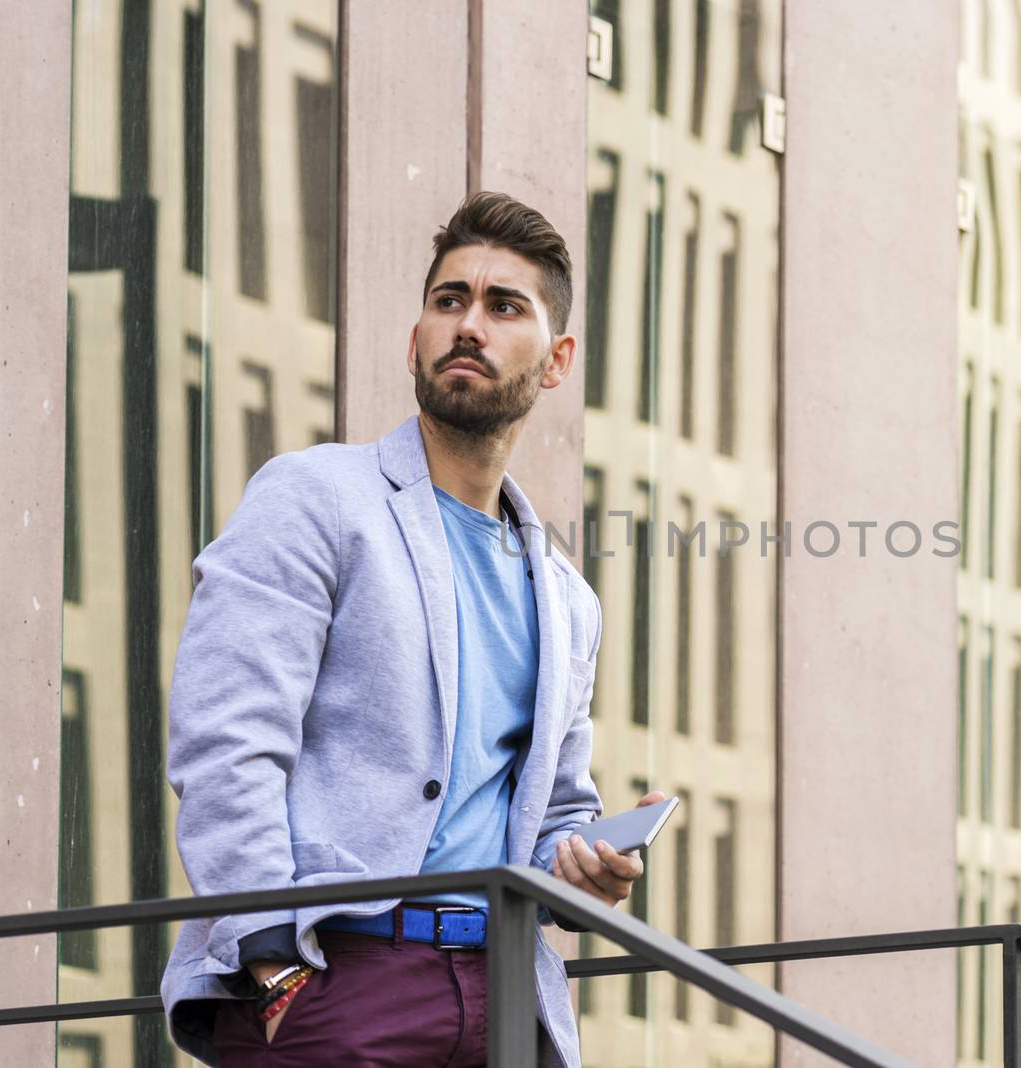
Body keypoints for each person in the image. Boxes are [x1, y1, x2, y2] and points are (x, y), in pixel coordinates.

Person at [158, 191, 658, 1067]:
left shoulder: (568, 600)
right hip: (337, 976)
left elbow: (549, 812)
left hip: (506, 991)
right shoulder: (315, 497)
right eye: (448, 300)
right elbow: (225, 739)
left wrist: (589, 865)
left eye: (505, 307)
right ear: (415, 340)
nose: (469, 324)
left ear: (556, 359)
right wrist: (273, 959)